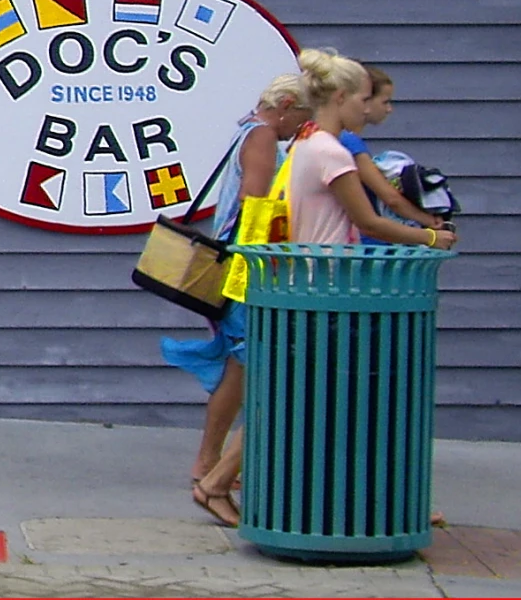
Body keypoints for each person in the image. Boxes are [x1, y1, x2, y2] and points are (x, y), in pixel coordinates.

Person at [193, 50, 454, 518]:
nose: (368, 109)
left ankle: (218, 481)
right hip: (320, 288)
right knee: (312, 398)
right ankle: (215, 481)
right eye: (364, 98)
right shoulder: (329, 150)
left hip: (302, 286)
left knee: (301, 397)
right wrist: (431, 236)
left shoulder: (303, 144)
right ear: (339, 97)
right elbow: (368, 221)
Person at [169, 73, 304, 525]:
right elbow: (256, 199)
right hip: (249, 268)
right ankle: (209, 467)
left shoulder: (247, 128)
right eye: (301, 115)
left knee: (238, 365)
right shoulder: (265, 135)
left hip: (232, 266)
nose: (301, 127)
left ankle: (210, 462)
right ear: (285, 104)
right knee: (244, 365)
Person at [346, 63, 449, 233]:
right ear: (365, 100)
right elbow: (390, 198)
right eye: (385, 102)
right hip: (365, 243)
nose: (389, 109)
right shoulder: (350, 142)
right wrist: (429, 221)